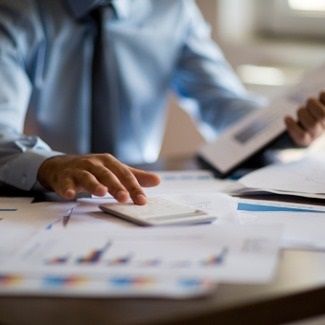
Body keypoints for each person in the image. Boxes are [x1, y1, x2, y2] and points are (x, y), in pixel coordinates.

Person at [0, 0, 324, 204]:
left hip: (138, 197)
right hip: (38, 197)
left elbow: (222, 103)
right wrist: (49, 164)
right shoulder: (14, 10)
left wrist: (283, 127)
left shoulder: (173, 9)